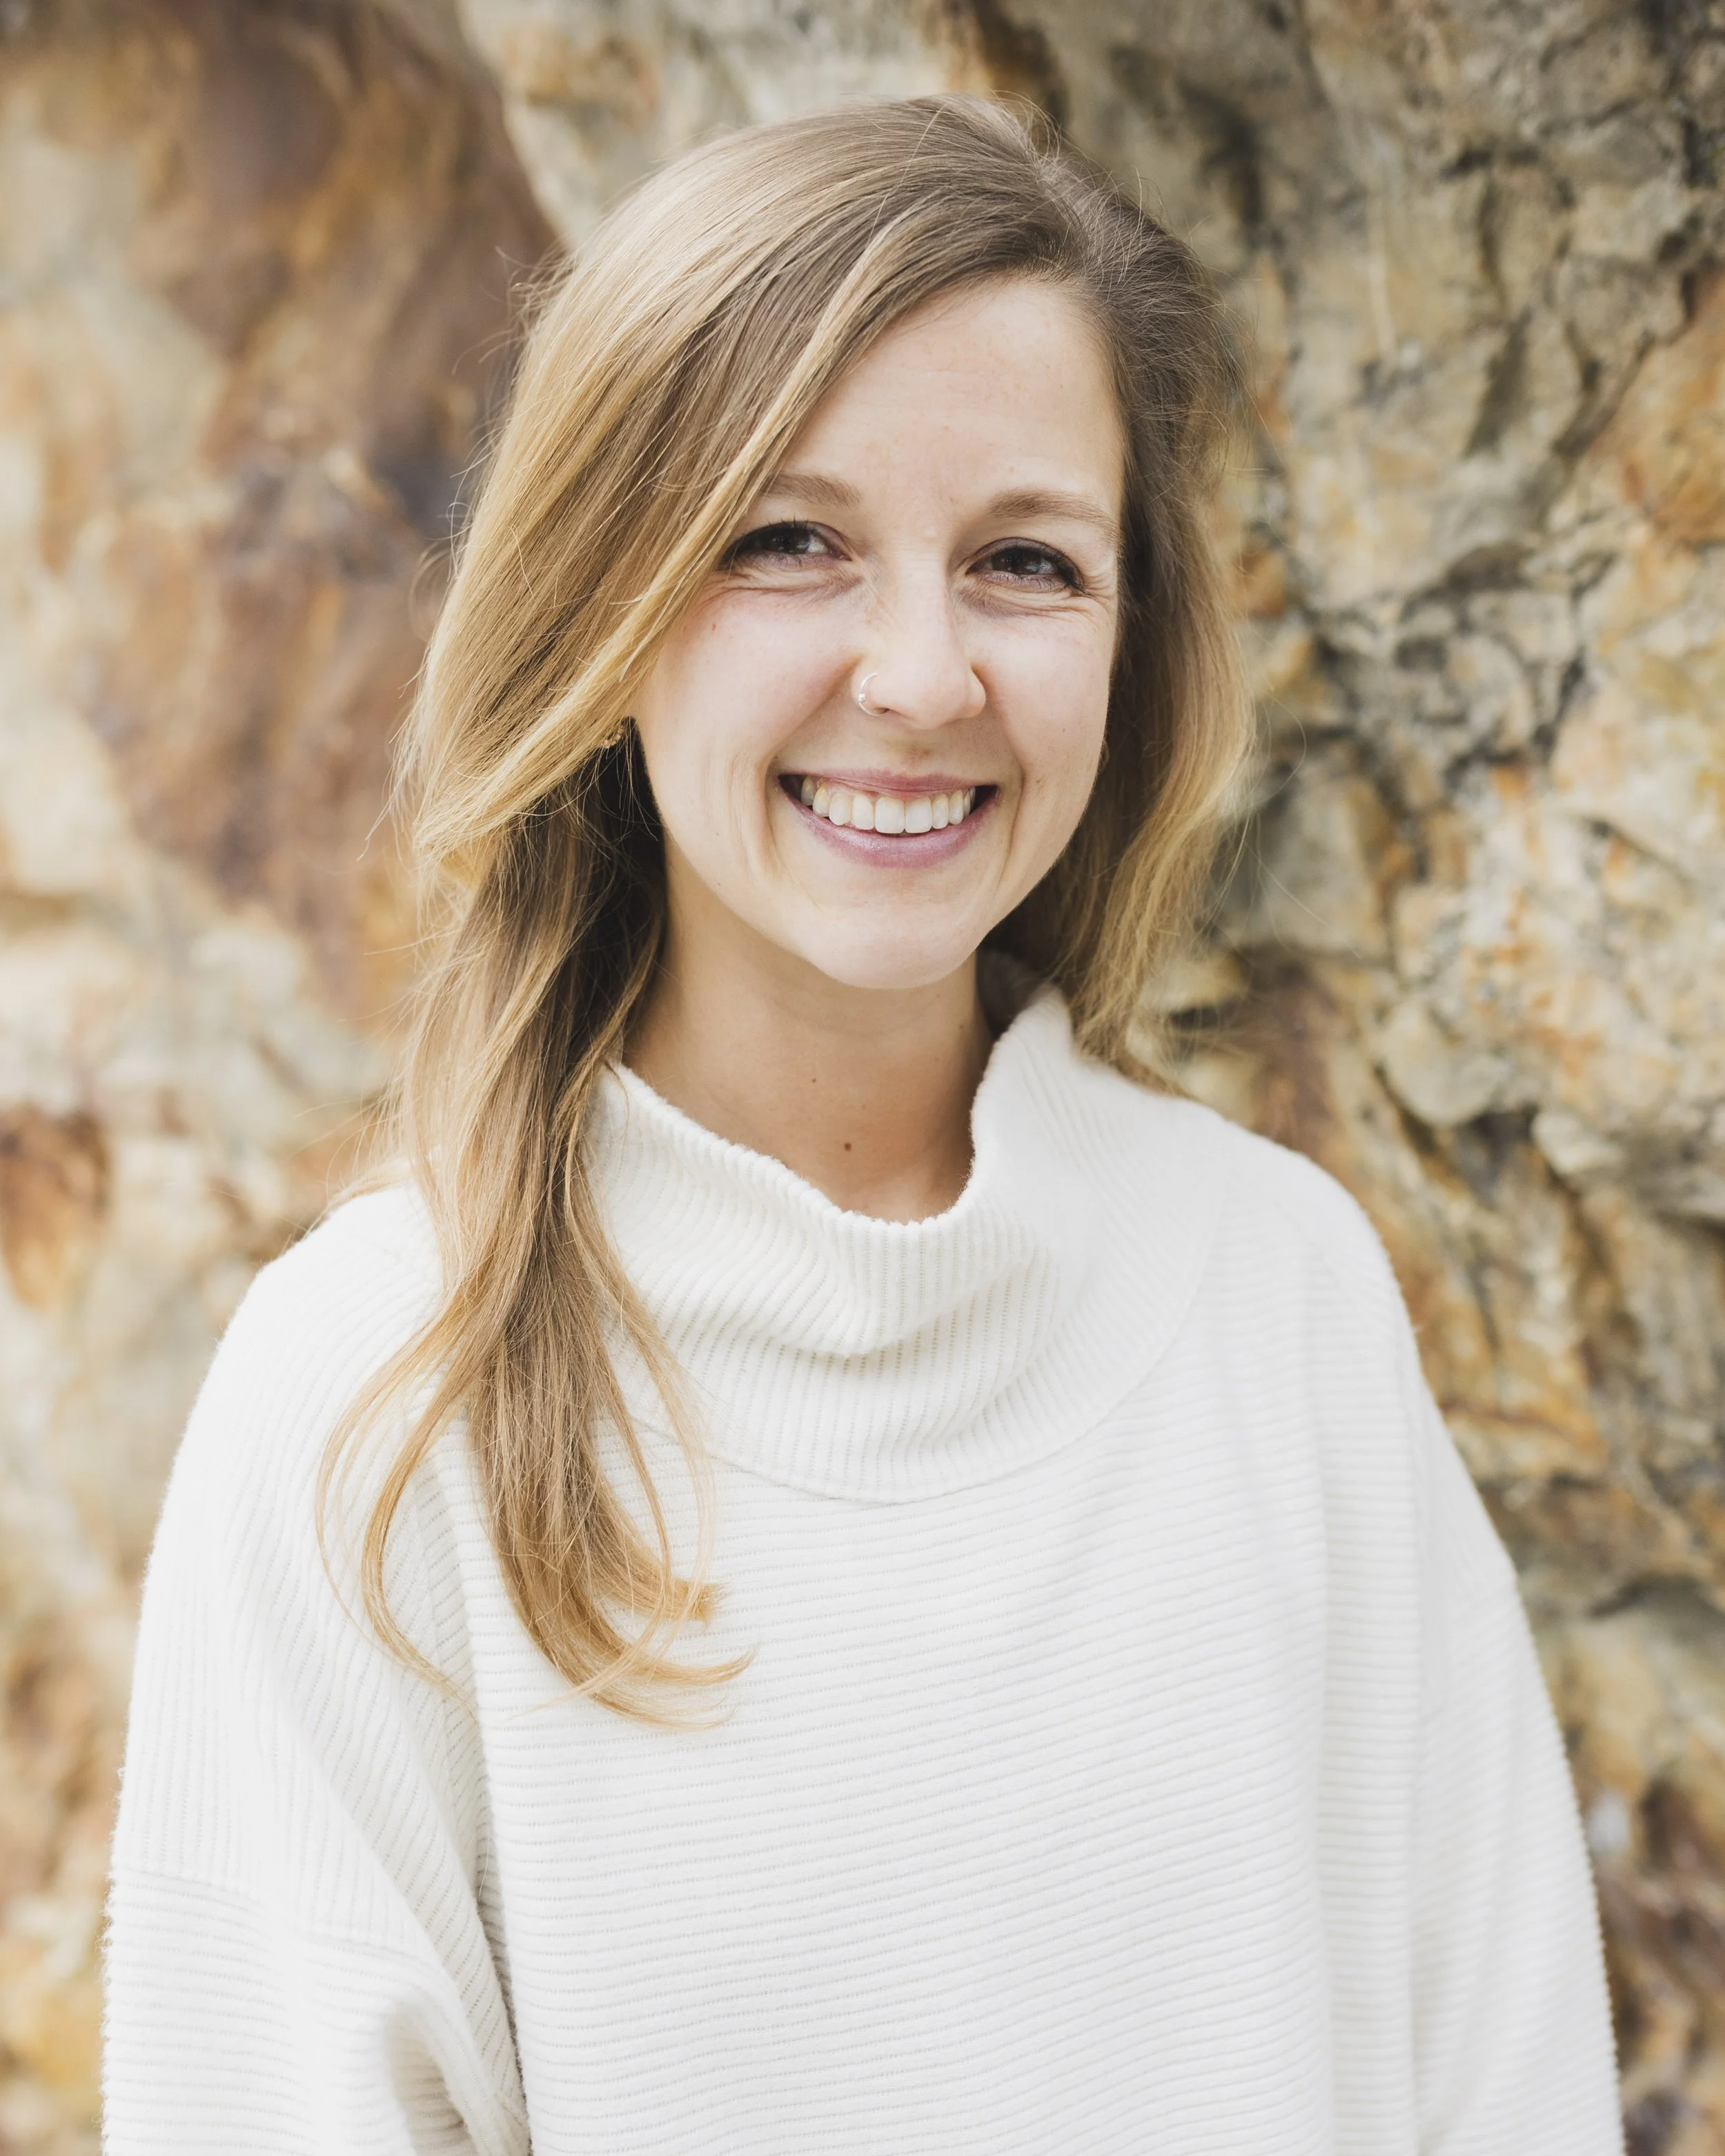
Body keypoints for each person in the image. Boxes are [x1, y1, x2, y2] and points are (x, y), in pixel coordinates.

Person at [102, 95, 1622, 2155]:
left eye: (1023, 560)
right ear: (602, 602)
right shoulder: (371, 1391)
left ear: (1130, 639)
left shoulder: (1279, 1297)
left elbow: (1502, 2091)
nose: (918, 674)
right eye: (786, 538)